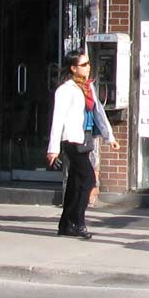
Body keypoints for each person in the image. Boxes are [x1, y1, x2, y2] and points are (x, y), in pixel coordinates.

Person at [46, 49, 119, 240]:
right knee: (88, 180)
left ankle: (65, 224)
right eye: (84, 64)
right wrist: (53, 149)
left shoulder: (88, 87)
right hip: (72, 139)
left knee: (75, 182)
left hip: (85, 137)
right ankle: (78, 222)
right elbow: (57, 119)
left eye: (88, 64)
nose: (88, 67)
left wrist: (110, 137)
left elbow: (98, 113)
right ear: (73, 68)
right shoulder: (65, 90)